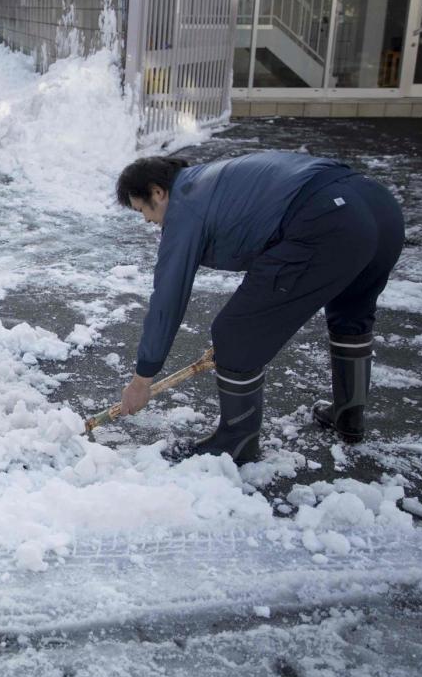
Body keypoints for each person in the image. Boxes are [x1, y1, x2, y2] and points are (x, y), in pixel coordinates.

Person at [114, 151, 405, 464]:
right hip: (379, 207)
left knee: (235, 332)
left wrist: (143, 378)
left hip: (329, 218)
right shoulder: (213, 179)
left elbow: (168, 296)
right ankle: (349, 417)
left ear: (158, 191)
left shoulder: (186, 205)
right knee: (351, 312)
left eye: (143, 209)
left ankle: (236, 443)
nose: (146, 219)